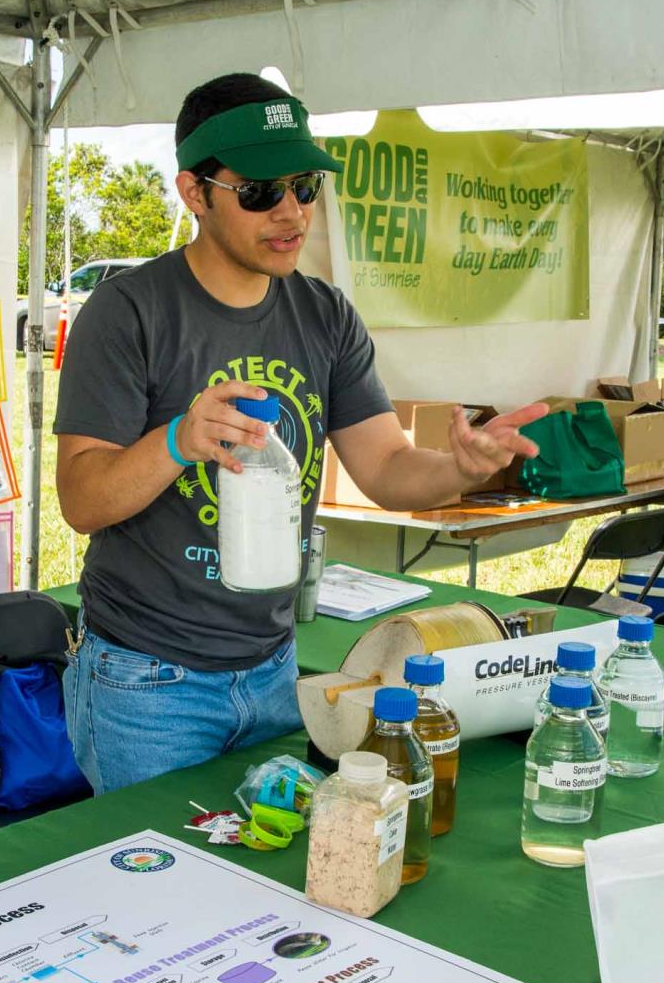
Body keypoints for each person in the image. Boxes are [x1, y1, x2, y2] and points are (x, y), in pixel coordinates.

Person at [54, 73, 543, 794]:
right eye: (260, 192)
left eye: (305, 186)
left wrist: (462, 469)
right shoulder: (127, 313)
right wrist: (178, 440)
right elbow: (81, 500)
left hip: (275, 670)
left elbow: (387, 469)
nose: (291, 212)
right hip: (148, 681)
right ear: (196, 193)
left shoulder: (324, 315)